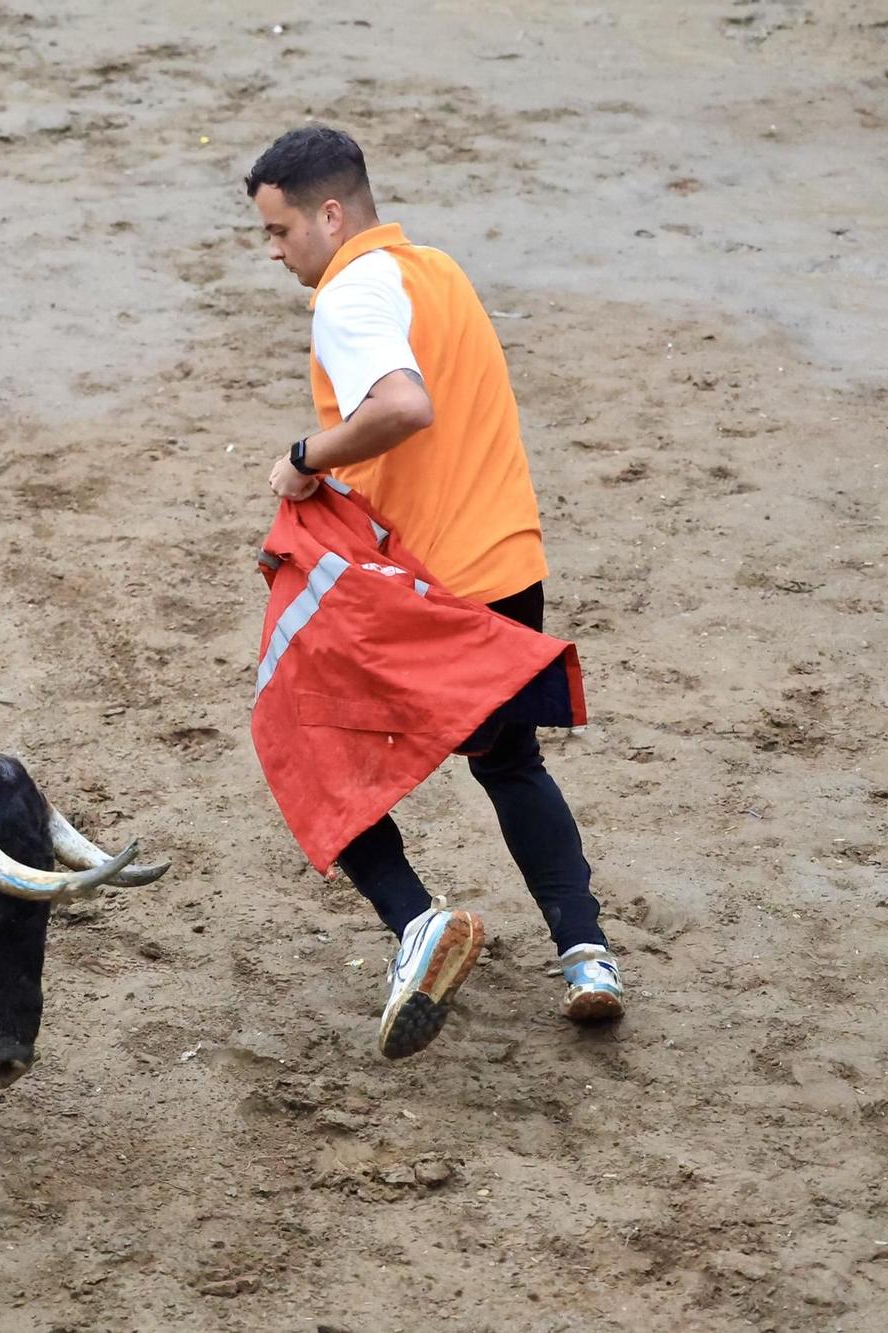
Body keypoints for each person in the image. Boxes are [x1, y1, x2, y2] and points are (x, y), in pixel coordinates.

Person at [244, 125, 624, 1060]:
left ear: (332, 216)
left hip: (429, 594)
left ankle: (416, 921)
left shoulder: (348, 296)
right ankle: (588, 957)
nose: (274, 251)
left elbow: (404, 406)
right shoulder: (439, 272)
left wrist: (305, 458)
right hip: (511, 567)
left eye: (280, 230)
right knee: (509, 761)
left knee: (299, 734)